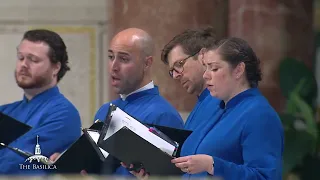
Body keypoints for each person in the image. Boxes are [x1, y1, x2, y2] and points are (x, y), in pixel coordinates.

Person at [131, 37, 284, 180]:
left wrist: (212, 165)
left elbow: (265, 176)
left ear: (238, 70)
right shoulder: (217, 108)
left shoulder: (259, 115)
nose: (206, 75)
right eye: (206, 68)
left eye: (214, 69)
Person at [50, 28, 184, 176]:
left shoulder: (164, 116)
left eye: (124, 59)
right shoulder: (104, 110)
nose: (113, 67)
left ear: (147, 63)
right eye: (110, 57)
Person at [0, 29, 82, 175]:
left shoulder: (63, 114)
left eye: (33, 60)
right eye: (20, 57)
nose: (23, 65)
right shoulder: (5, 111)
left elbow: (15, 162)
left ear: (56, 67)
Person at [160, 27, 221, 131]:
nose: (175, 76)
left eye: (179, 64)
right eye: (172, 71)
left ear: (203, 56)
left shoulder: (222, 102)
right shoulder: (201, 103)